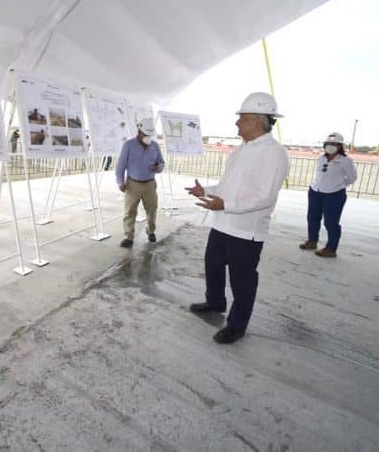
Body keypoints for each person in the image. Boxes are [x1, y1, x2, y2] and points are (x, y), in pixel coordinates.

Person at [186, 92, 289, 344]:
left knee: (242, 281)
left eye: (242, 118)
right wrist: (205, 191)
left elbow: (264, 197)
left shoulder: (274, 153)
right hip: (223, 223)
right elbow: (226, 186)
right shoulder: (241, 150)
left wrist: (225, 205)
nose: (237, 123)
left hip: (246, 230)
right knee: (212, 265)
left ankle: (237, 325)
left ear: (258, 120)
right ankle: (215, 302)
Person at [298, 132, 358, 258]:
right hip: (316, 191)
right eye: (328, 143)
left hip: (334, 194)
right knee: (312, 218)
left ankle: (331, 248)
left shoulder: (346, 161)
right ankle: (312, 241)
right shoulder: (321, 158)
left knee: (331, 222)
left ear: (340, 146)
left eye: (334, 144)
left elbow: (352, 178)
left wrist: (338, 185)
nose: (330, 146)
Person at [115, 118, 165, 247]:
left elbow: (161, 162)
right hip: (133, 184)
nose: (148, 137)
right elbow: (121, 165)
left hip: (150, 184)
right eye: (145, 134)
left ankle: (151, 231)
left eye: (150, 134)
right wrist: (120, 182)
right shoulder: (128, 145)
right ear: (139, 132)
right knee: (130, 211)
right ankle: (129, 236)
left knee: (152, 209)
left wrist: (158, 167)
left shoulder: (154, 146)